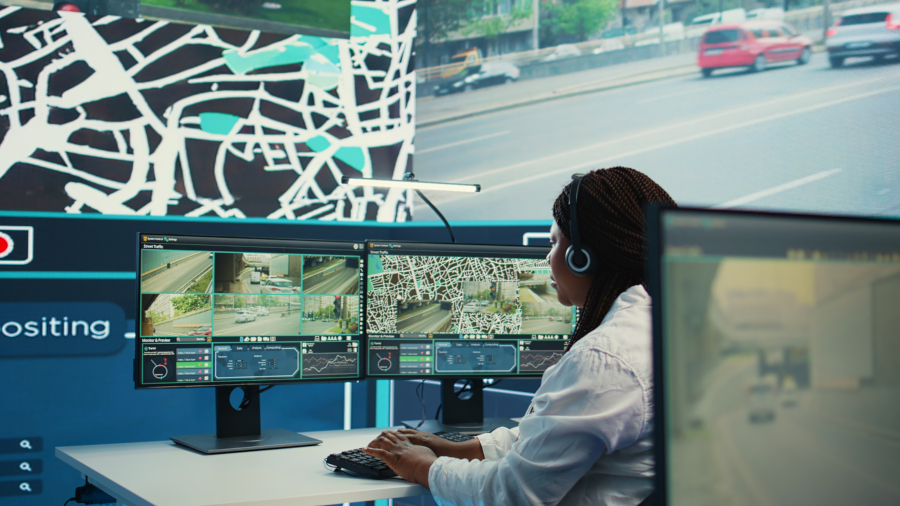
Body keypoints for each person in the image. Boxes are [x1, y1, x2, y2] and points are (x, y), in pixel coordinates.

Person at [362, 167, 677, 505]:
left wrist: (424, 467)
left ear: (582, 258)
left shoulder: (605, 359)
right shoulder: (662, 325)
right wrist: (459, 449)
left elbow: (513, 493)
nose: (547, 257)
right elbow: (556, 436)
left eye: (554, 243)